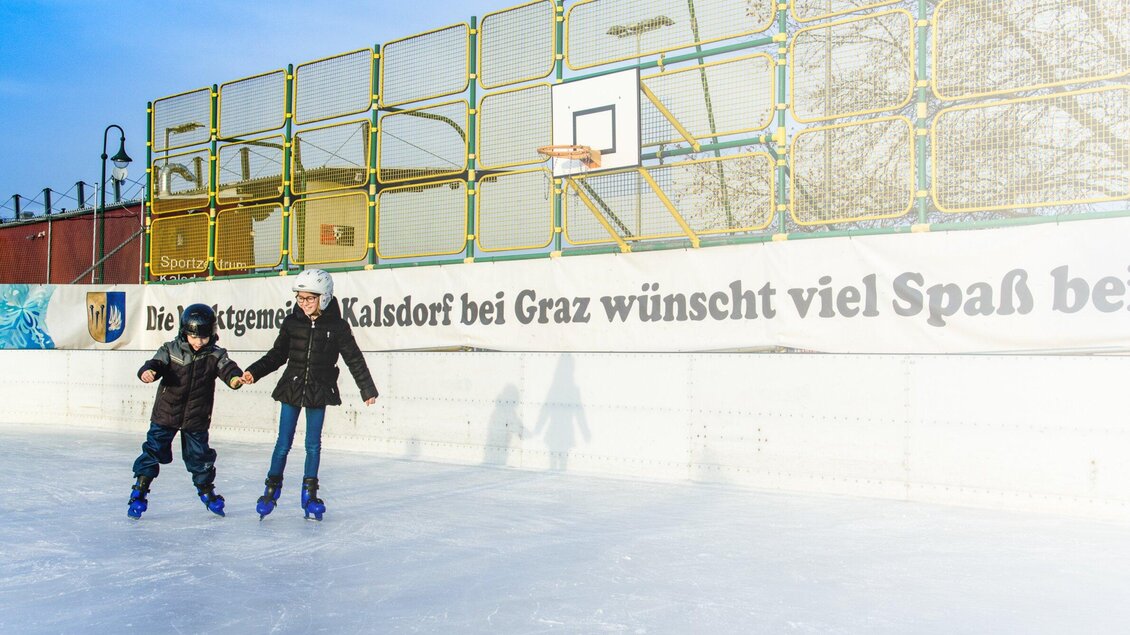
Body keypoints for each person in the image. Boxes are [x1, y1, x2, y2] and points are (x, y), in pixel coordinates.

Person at [242, 269, 378, 521]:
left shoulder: (337, 327)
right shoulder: (292, 323)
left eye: (309, 298)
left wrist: (366, 388)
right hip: (292, 387)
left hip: (319, 387)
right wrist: (254, 372)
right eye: (300, 298)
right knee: (283, 443)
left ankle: (309, 495)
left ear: (324, 297)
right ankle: (270, 491)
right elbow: (277, 355)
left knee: (312, 445)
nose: (303, 303)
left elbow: (354, 358)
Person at [127, 304, 244, 519]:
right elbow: (155, 363)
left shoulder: (216, 355)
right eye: (194, 337)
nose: (199, 342)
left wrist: (235, 378)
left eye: (204, 337)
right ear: (184, 333)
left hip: (197, 418)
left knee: (199, 458)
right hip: (165, 415)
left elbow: (228, 368)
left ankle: (207, 492)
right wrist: (148, 371)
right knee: (152, 451)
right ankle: (139, 492)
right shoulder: (170, 350)